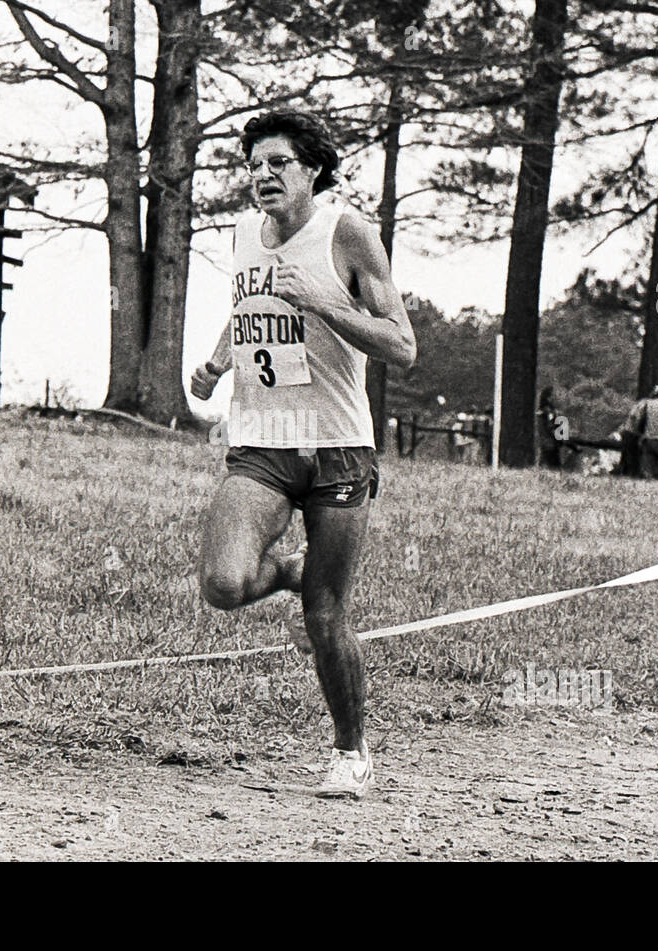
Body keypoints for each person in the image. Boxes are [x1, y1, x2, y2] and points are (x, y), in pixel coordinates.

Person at [190, 109, 416, 799]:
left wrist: (323, 300)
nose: (262, 175)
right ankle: (287, 568)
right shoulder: (239, 234)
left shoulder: (347, 232)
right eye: (253, 164)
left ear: (312, 169)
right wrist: (218, 361)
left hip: (339, 450)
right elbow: (250, 301)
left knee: (325, 613)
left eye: (278, 163)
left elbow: (402, 345)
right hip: (260, 441)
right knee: (223, 584)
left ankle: (351, 751)